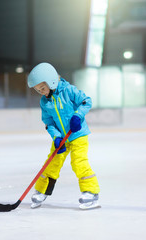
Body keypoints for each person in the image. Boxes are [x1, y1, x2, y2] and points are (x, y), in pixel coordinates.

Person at [27, 62, 100, 210]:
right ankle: (41, 191)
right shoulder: (44, 102)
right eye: (37, 90)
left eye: (42, 88)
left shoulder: (69, 90)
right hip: (62, 138)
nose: (41, 91)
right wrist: (56, 137)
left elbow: (86, 101)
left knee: (78, 162)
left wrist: (77, 116)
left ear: (51, 81)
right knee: (51, 163)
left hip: (78, 134)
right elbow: (48, 122)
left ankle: (91, 193)